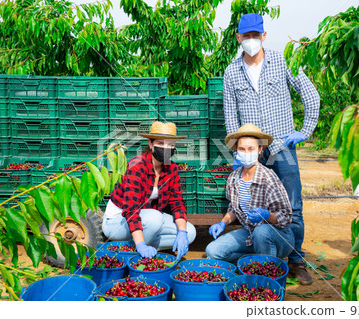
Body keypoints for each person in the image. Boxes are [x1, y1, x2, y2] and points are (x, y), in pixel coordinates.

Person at [222, 13, 320, 285]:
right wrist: (236, 152)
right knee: (254, 204)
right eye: (246, 36)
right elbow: (231, 116)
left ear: (264, 36)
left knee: (293, 204)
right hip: (253, 149)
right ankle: (261, 255)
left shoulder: (282, 60)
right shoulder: (232, 72)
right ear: (239, 38)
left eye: (256, 35)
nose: (251, 40)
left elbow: (310, 94)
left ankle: (297, 260)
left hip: (282, 146)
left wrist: (304, 131)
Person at [102, 121, 197, 261]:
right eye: (160, 143)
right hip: (118, 221)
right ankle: (134, 252)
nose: (166, 148)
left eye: (171, 144)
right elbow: (131, 211)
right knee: (155, 218)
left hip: (148, 218)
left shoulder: (172, 169)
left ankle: (135, 247)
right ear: (151, 144)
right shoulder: (137, 166)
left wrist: (182, 232)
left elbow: (177, 202)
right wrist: (141, 244)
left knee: (190, 232)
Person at [206, 124, 294, 263]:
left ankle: (266, 267)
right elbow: (234, 209)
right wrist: (222, 223)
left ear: (260, 150)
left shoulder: (268, 178)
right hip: (249, 232)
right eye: (242, 149)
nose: (246, 152)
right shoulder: (234, 177)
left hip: (278, 235)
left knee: (261, 232)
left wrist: (266, 215)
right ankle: (254, 260)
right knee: (212, 251)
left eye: (251, 149)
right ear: (237, 151)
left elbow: (285, 217)